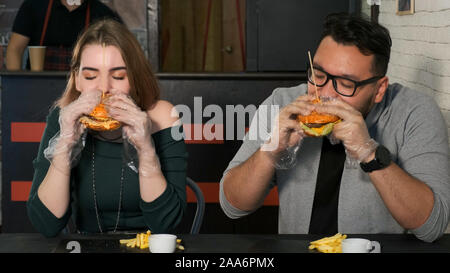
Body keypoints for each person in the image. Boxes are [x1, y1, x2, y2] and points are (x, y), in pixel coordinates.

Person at [219, 13, 450, 243]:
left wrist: (369, 152)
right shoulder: (283, 104)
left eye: (345, 84)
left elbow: (432, 227)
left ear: (379, 90)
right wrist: (271, 150)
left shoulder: (413, 112)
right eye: (318, 75)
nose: (325, 94)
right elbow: (233, 206)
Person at [27, 19, 188, 237]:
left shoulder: (163, 117)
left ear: (134, 78)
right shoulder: (63, 118)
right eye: (91, 76)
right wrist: (65, 144)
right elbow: (46, 224)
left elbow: (167, 225)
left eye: (118, 76)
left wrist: (146, 150)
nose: (104, 88)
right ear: (77, 80)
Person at [6, 0, 122, 71]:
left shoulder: (103, 13)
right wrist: (16, 86)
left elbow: (117, 57)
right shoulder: (33, 6)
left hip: (84, 91)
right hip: (37, 87)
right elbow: (15, 49)